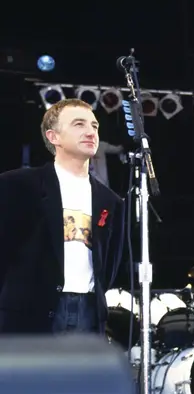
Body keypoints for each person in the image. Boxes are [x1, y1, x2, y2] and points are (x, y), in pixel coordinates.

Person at [0, 99, 125, 335]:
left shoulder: (111, 201)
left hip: (88, 313)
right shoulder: (17, 185)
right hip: (28, 312)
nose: (90, 132)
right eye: (79, 124)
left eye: (95, 126)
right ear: (53, 136)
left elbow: (109, 264)